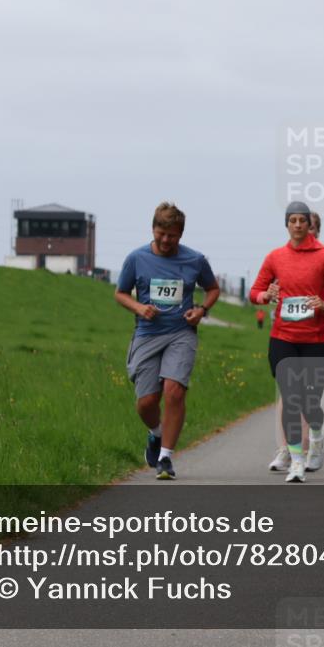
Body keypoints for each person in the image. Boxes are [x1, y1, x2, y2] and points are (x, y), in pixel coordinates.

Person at [115, 202, 220, 480]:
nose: (165, 240)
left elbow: (212, 288)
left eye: (171, 235)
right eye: (161, 233)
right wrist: (139, 308)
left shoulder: (195, 260)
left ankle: (165, 458)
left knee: (174, 390)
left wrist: (201, 310)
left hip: (181, 332)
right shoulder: (136, 258)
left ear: (180, 235)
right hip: (148, 334)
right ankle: (155, 434)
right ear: (153, 229)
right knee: (147, 402)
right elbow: (121, 292)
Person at [251, 201, 324, 482]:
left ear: (309, 224)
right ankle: (295, 461)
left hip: (315, 339)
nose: (297, 225)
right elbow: (255, 290)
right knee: (291, 398)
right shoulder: (275, 257)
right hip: (283, 338)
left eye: (301, 220)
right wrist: (264, 297)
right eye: (292, 220)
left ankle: (316, 435)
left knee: (309, 401)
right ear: (286, 224)